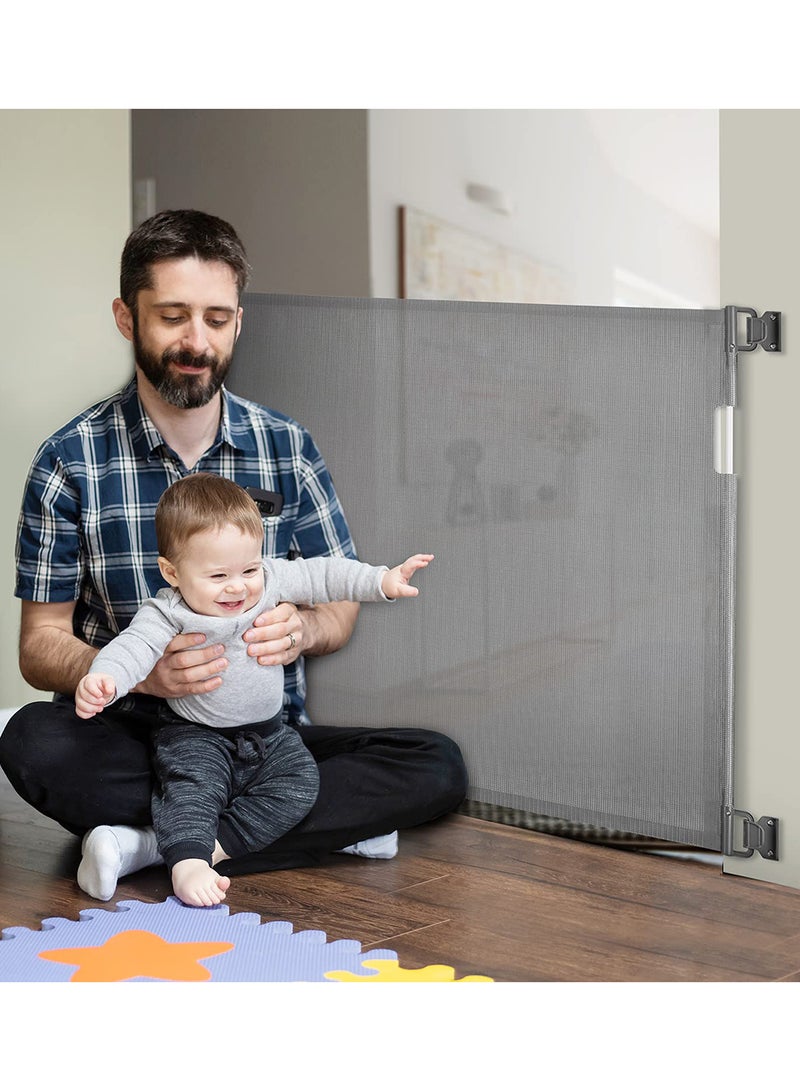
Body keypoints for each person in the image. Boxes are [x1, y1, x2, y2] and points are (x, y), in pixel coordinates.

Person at [0, 208, 467, 902]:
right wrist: (146, 674)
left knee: (436, 765)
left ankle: (152, 844)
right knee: (31, 739)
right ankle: (308, 830)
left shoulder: (289, 446)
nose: (197, 341)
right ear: (128, 318)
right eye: (173, 316)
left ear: (238, 322)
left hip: (265, 738)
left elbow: (336, 603)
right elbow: (40, 645)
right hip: (135, 738)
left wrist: (305, 628)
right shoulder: (69, 463)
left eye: (217, 319)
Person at [75, 473, 434, 907]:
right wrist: (105, 679)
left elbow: (324, 575)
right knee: (191, 790)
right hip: (195, 734)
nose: (238, 586)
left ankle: (201, 852)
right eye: (218, 575)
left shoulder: (271, 580)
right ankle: (187, 858)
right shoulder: (166, 612)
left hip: (271, 734)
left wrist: (381, 581)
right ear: (172, 572)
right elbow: (131, 648)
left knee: (302, 782)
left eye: (248, 569)